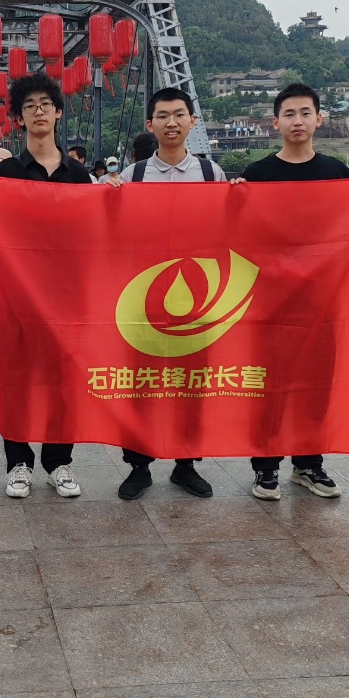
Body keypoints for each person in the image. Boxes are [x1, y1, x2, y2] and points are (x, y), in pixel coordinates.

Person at [234, 83, 349, 501]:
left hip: (322, 301)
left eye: (305, 113)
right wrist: (235, 198)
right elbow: (240, 233)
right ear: (275, 122)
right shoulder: (258, 174)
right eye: (289, 114)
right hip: (272, 301)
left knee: (315, 385)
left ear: (318, 119)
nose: (297, 121)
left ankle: (308, 464)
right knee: (270, 385)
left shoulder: (335, 172)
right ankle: (265, 467)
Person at [0, 73, 92, 500]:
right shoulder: (6, 173)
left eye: (45, 104)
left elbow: (96, 229)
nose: (38, 111)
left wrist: (117, 197)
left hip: (67, 295)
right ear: (19, 118)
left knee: (64, 380)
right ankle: (18, 462)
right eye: (29, 106)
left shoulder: (79, 175)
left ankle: (59, 460)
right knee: (17, 379)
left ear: (58, 112)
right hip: (15, 294)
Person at [105, 87, 225, 500]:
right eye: (162, 116)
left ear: (193, 121)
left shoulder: (211, 173)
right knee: (140, 384)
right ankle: (138, 465)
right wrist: (107, 195)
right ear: (150, 124)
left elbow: (230, 226)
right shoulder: (133, 175)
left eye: (178, 115)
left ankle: (185, 464)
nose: (171, 123)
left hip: (198, 295)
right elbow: (112, 228)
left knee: (190, 384)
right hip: (144, 294)